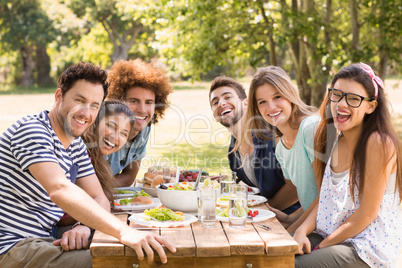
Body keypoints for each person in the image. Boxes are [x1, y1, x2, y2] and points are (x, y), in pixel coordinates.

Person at [0, 62, 175, 267]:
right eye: (79, 100)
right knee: (126, 261)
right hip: (13, 248)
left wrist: (84, 225)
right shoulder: (32, 131)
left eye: (94, 105)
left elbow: (98, 196)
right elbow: (59, 189)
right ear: (59, 96)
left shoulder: (75, 144)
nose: (86, 112)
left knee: (146, 252)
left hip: (44, 242)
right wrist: (124, 231)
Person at [294, 63, 402, 267]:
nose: (341, 104)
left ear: (371, 106)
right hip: (337, 235)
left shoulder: (378, 143)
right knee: (275, 253)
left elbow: (367, 214)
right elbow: (325, 197)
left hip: (366, 247)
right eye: (336, 94)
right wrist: (299, 231)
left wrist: (321, 247)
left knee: (293, 265)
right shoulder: (337, 137)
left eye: (353, 99)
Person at [234, 66, 320, 232]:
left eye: (277, 97)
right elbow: (312, 198)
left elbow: (326, 197)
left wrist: (291, 231)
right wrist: (288, 218)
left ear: (289, 95)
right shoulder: (281, 147)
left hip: (336, 230)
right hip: (316, 225)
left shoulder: (310, 128)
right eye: (262, 102)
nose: (271, 107)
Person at [209, 76, 300, 214]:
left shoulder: (273, 134)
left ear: (246, 103)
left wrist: (264, 209)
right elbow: (258, 182)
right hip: (264, 219)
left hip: (293, 218)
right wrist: (229, 182)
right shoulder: (233, 151)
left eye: (227, 97)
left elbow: (296, 187)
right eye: (215, 102)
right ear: (214, 116)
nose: (221, 103)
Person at [106, 59, 172, 187]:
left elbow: (129, 177)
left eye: (149, 102)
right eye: (134, 101)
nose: (142, 110)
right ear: (118, 100)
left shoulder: (144, 128)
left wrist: (107, 186)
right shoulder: (105, 129)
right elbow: (92, 182)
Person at [82, 100, 135, 202]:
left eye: (123, 134)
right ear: (95, 123)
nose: (115, 137)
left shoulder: (100, 161)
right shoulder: (81, 155)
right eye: (111, 126)